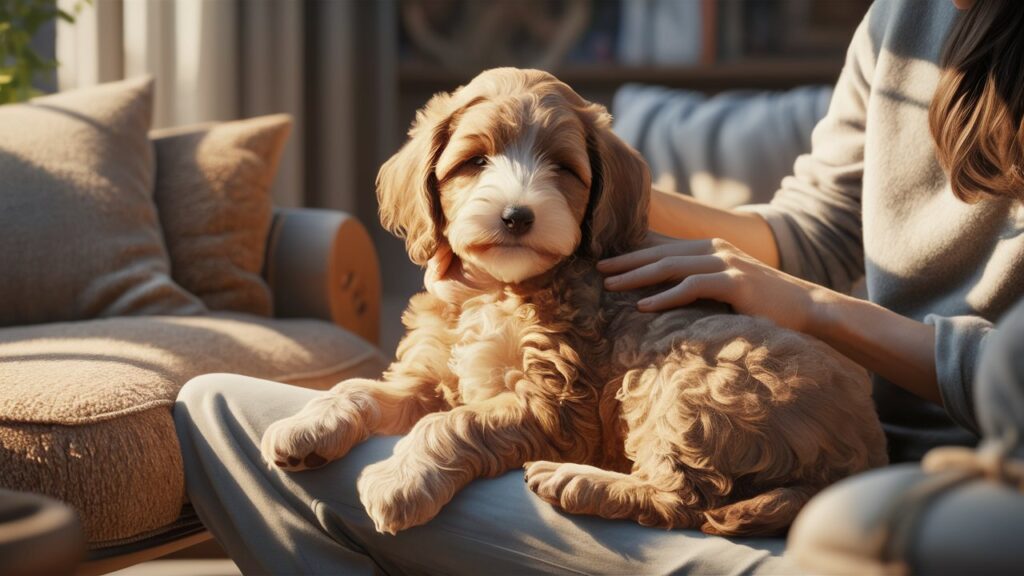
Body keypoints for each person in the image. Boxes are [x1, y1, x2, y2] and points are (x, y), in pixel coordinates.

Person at [174, 0, 1024, 573]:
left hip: (973, 473)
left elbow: (556, 415)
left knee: (379, 487)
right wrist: (573, 206)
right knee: (217, 410)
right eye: (468, 164)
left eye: (560, 172)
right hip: (821, 447)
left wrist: (806, 305)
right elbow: (820, 226)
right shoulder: (903, 18)